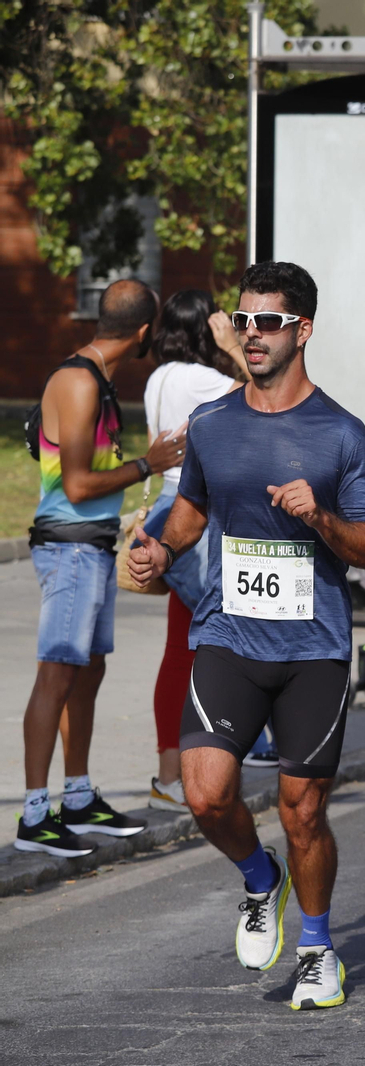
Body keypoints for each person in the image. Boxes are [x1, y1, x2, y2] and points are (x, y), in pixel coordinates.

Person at [126, 261, 365, 1011]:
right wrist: (162, 550)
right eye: (243, 320)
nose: (251, 334)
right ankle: (258, 878)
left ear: (302, 330)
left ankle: (317, 949)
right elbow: (192, 510)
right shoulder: (213, 423)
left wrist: (322, 518)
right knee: (205, 794)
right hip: (229, 634)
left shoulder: (341, 434)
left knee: (303, 811)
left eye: (267, 322)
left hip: (313, 650)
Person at [15, 279, 184, 857]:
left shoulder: (96, 379)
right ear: (144, 332)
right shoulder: (79, 382)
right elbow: (79, 485)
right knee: (57, 674)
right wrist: (147, 464)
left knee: (87, 671)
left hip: (91, 546)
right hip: (69, 548)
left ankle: (79, 796)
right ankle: (34, 816)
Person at [142, 290, 249, 812]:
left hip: (167, 506)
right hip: (195, 513)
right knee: (220, 645)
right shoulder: (201, 377)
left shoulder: (158, 377)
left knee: (178, 649)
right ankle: (205, 767)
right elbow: (265, 395)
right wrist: (233, 348)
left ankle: (171, 774)